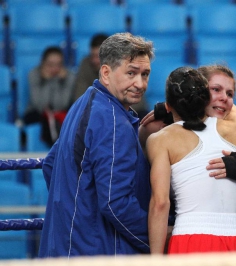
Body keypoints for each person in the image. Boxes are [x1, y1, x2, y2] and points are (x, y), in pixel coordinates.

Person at [38, 32, 154, 258]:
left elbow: (50, 164)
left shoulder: (84, 102)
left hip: (68, 246)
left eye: (145, 74)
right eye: (131, 73)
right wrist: (156, 239)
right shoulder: (112, 119)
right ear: (106, 73)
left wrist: (77, 214)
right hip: (96, 252)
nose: (140, 83)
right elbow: (115, 203)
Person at [147, 66, 236, 254]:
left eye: (230, 93)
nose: (224, 98)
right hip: (208, 236)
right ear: (201, 93)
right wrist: (171, 105)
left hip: (217, 238)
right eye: (216, 89)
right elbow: (143, 131)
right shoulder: (233, 128)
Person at [23, 46, 75, 146]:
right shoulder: (33, 74)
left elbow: (61, 104)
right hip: (37, 114)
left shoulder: (69, 76)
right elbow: (40, 105)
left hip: (60, 114)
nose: (55, 68)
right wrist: (46, 81)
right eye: (50, 64)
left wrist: (59, 81)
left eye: (58, 64)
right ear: (43, 63)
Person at [72, 33, 108, 101]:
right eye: (92, 55)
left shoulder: (119, 66)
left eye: (98, 57)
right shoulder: (85, 64)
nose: (94, 60)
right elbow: (79, 97)